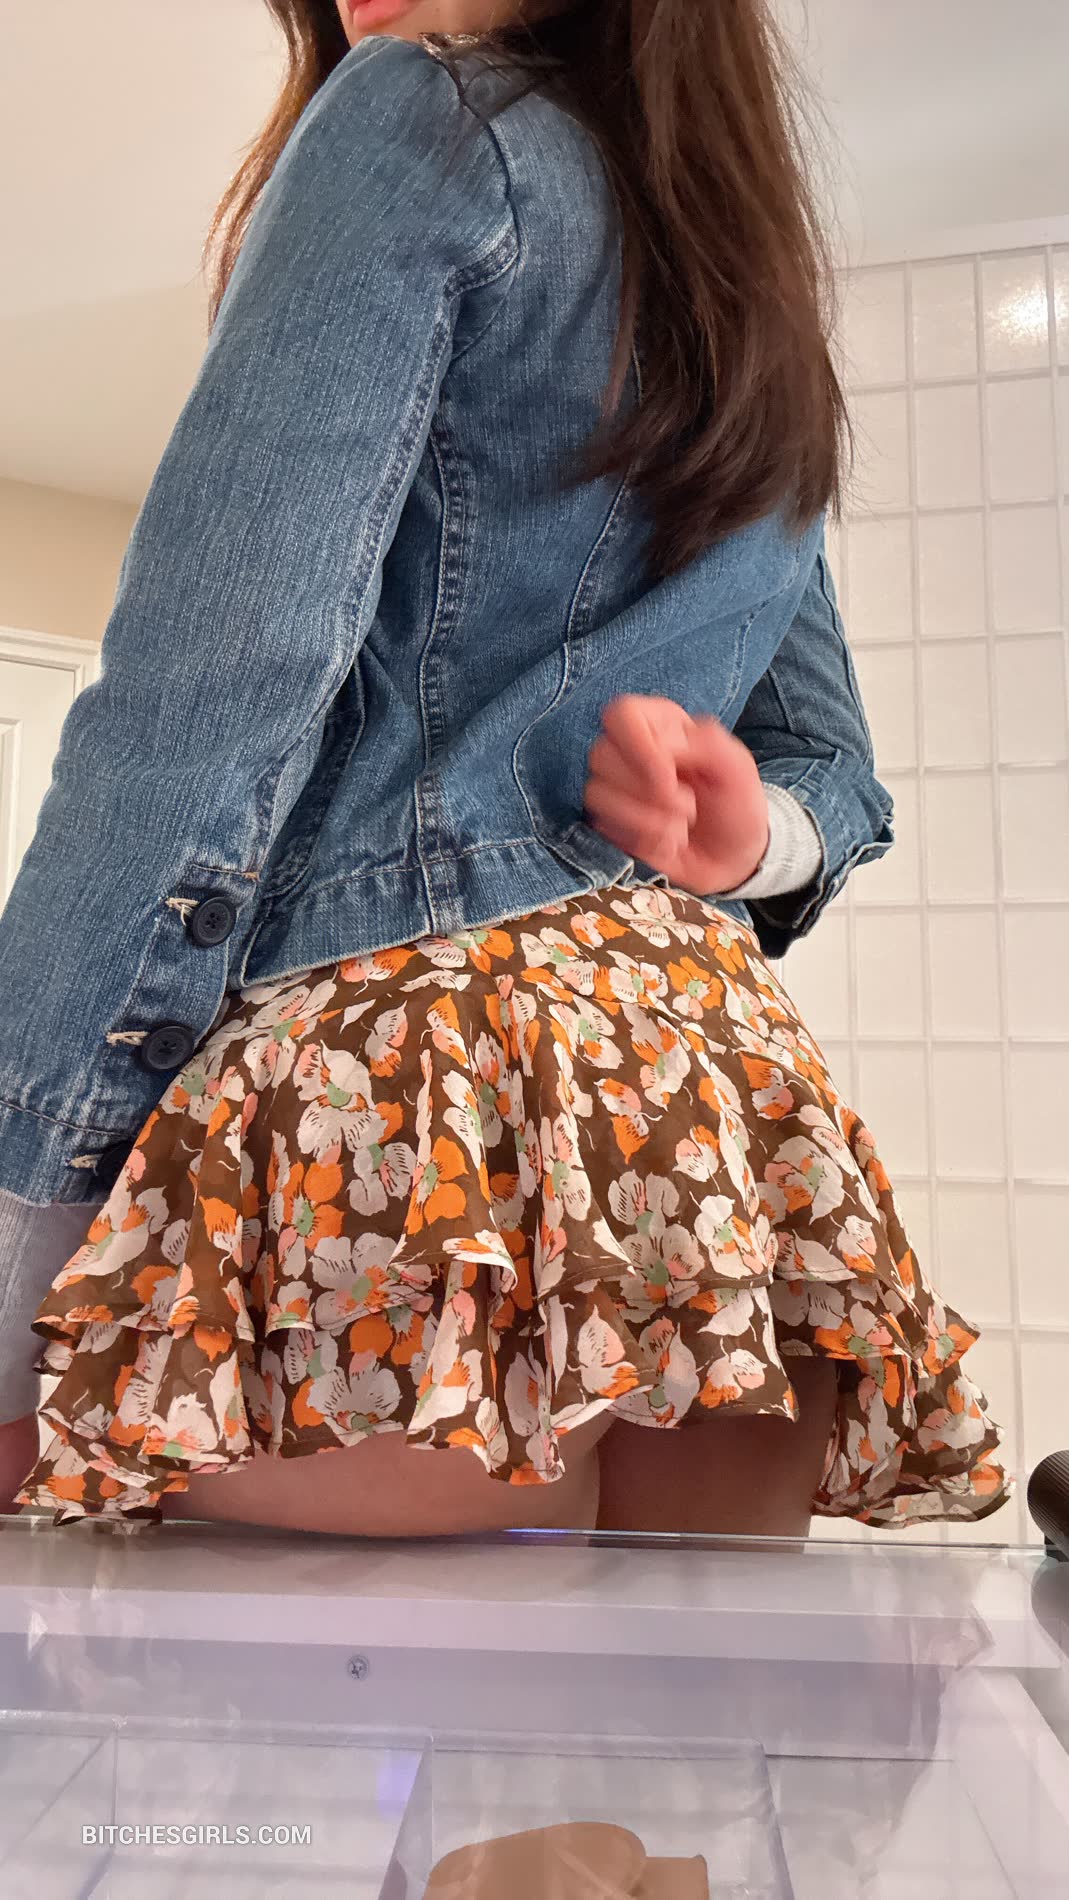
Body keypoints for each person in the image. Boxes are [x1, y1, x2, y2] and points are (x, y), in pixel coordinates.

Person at [0, 0, 1006, 1538]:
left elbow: (204, 692)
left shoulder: (417, 114)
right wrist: (753, 844)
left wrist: (22, 1228)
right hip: (716, 1120)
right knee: (696, 1690)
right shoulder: (741, 286)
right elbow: (829, 770)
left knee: (224, 1694)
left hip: (408, 1087)